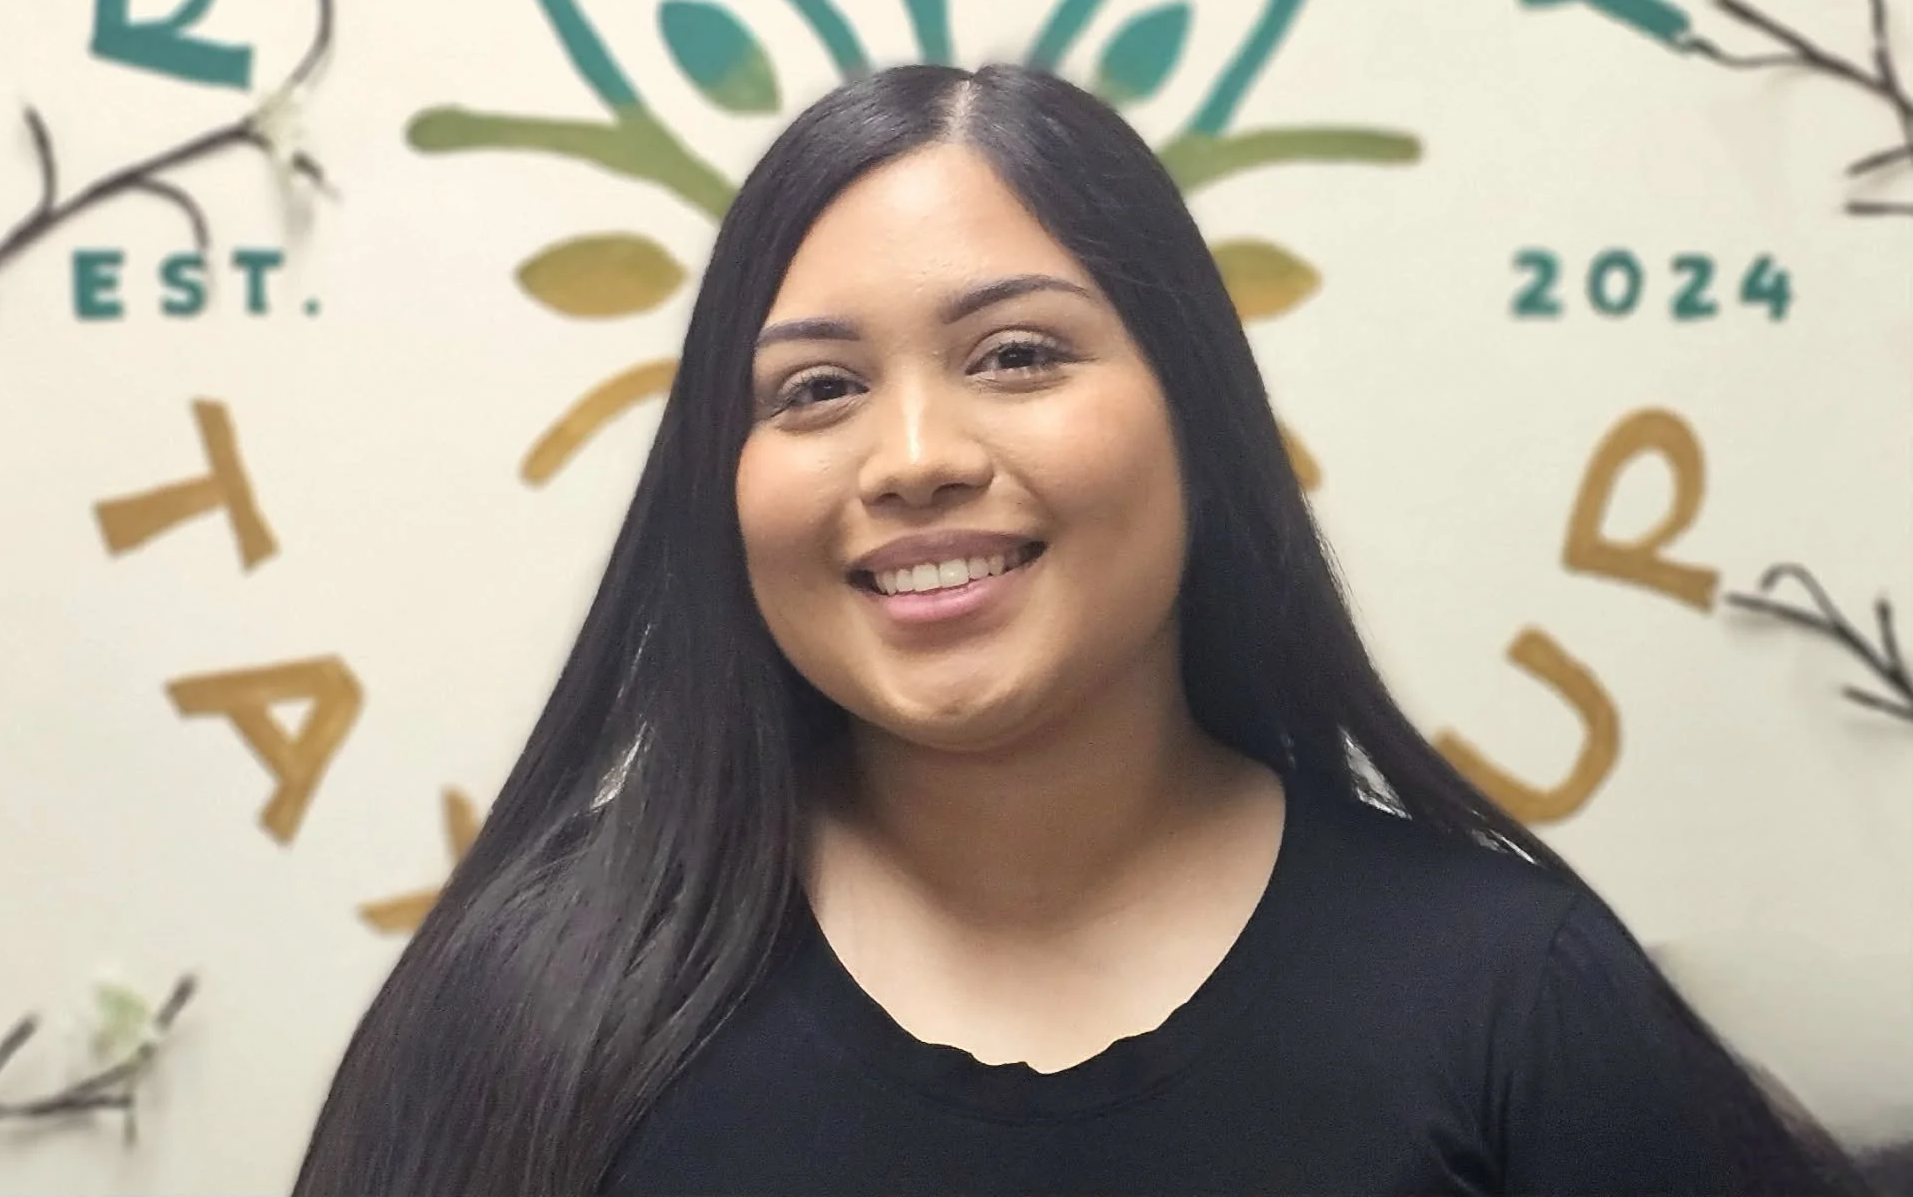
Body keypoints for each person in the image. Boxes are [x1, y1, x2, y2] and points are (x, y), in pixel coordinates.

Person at [294, 64, 1862, 1196]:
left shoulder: (1517, 999)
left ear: (1199, 421)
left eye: (1017, 354)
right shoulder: (524, 999)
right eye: (816, 390)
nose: (911, 455)